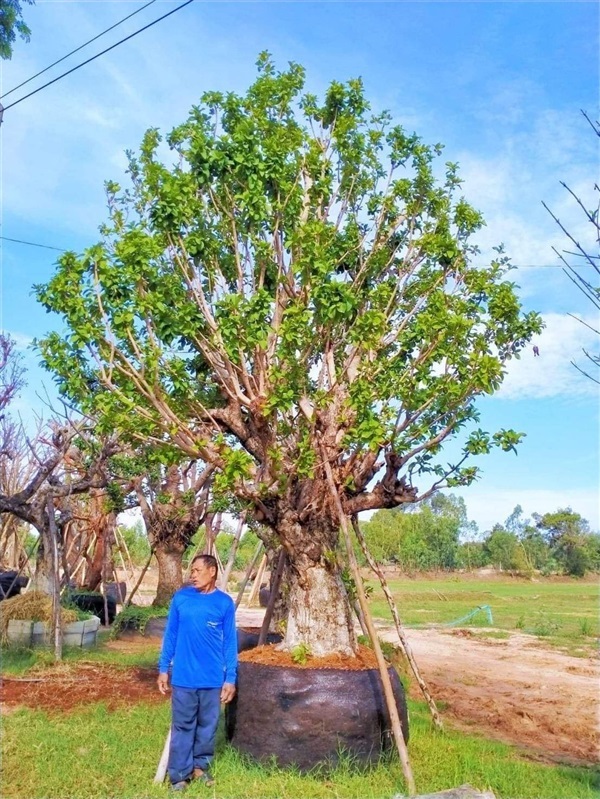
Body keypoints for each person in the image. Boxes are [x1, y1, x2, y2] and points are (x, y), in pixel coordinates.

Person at [157, 554, 237, 791]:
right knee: (183, 726)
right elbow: (170, 635)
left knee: (207, 726)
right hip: (183, 678)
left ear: (212, 571)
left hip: (212, 679)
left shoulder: (224, 603)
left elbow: (230, 643)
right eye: (191, 571)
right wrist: (163, 669)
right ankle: (179, 776)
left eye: (197, 570)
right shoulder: (181, 599)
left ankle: (199, 767)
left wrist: (230, 678)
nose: (192, 575)